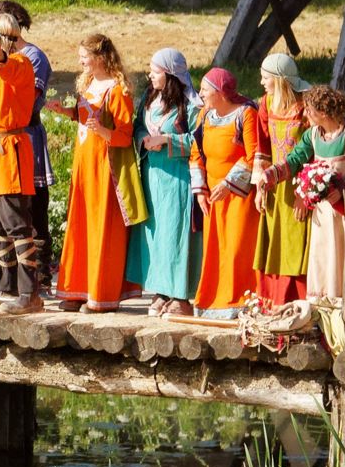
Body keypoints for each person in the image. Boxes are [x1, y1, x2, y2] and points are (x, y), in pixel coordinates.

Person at [259, 85, 345, 327]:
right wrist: (270, 175)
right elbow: (295, 159)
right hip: (324, 216)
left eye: (311, 112)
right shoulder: (313, 136)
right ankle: (330, 314)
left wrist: (340, 187)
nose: (306, 116)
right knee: (328, 260)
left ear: (324, 112)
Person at [46, 33, 144, 313]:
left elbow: (125, 135)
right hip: (84, 165)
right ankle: (77, 289)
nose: (80, 61)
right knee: (80, 226)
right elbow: (85, 118)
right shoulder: (88, 83)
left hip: (106, 168)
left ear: (100, 57)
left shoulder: (118, 89)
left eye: (85, 56)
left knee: (102, 229)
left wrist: (102, 131)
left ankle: (101, 295)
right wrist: (66, 111)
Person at [0, 0, 55, 292]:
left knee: (16, 220)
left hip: (11, 149)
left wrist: (1, 58)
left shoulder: (20, 62)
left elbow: (11, 71)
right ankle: (5, 283)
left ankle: (29, 290)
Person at [125, 48, 202, 316]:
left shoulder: (190, 106)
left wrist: (168, 141)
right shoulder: (149, 97)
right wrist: (144, 139)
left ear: (169, 75)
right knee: (154, 236)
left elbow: (200, 140)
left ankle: (180, 296)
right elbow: (137, 127)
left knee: (174, 236)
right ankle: (160, 291)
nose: (150, 74)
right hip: (151, 177)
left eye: (155, 71)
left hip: (176, 179)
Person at [191, 68, 266, 319]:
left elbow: (253, 155)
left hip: (238, 196)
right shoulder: (205, 114)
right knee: (215, 250)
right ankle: (213, 302)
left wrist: (228, 182)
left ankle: (240, 301)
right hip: (213, 196)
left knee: (236, 249)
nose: (200, 93)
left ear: (221, 93)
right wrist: (200, 190)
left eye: (205, 89)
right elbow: (196, 153)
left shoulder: (246, 114)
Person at [250, 52, 312, 305]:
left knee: (296, 243)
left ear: (280, 79)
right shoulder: (265, 104)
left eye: (266, 77)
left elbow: (314, 150)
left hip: (299, 185)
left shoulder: (305, 105)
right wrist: (259, 188)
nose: (262, 82)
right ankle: (273, 301)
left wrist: (305, 193)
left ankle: (297, 301)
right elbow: (262, 147)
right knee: (273, 243)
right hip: (274, 185)